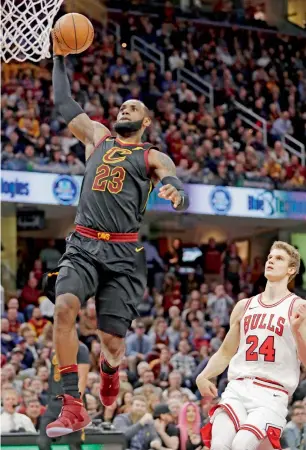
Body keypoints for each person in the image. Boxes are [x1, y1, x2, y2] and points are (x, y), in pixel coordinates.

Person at [43, 32, 189, 439]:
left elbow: (169, 173)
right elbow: (64, 104)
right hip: (83, 243)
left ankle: (110, 369)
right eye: (122, 104)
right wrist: (59, 59)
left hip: (124, 254)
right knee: (64, 308)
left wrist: (175, 188)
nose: (125, 106)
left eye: (134, 106)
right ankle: (72, 404)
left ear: (145, 122)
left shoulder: (150, 154)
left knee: (111, 342)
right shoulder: (98, 138)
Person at [196, 241, 306, 450]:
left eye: (279, 258)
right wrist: (204, 375)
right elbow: (226, 351)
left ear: (291, 270)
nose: (271, 260)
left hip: (272, 391)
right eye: (270, 257)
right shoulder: (244, 306)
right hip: (238, 386)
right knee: (219, 445)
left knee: (241, 445)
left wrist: (298, 333)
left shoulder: (298, 307)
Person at [37, 341, 90, 449]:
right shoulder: (54, 349)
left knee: (74, 444)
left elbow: (83, 378)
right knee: (42, 441)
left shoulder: (81, 348)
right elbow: (52, 378)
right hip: (54, 403)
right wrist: (49, 400)